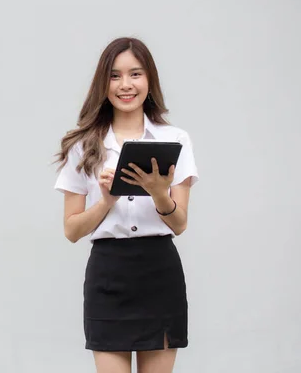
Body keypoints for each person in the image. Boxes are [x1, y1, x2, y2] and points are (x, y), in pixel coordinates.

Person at [53, 37, 199, 373]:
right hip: (109, 274)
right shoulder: (84, 144)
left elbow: (179, 224)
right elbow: (71, 230)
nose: (126, 85)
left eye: (135, 74)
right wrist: (107, 201)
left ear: (149, 79)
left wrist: (159, 192)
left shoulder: (174, 140)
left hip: (159, 273)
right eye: (115, 76)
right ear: (103, 83)